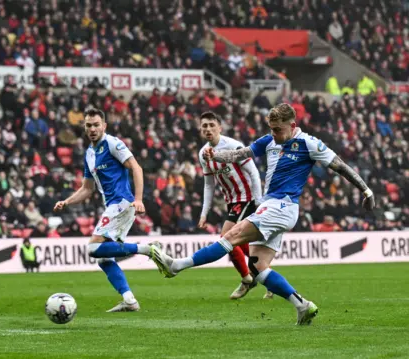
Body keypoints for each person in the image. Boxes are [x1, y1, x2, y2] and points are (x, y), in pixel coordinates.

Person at [150, 104, 375, 325]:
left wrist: (366, 190)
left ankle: (176, 266)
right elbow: (241, 154)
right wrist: (216, 156)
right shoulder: (269, 140)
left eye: (277, 129)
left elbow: (341, 166)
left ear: (292, 125)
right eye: (271, 128)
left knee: (230, 236)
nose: (273, 134)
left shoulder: (309, 143)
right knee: (257, 268)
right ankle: (302, 305)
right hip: (273, 206)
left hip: (282, 206)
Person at [54, 108, 160, 312]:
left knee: (93, 248)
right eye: (88, 125)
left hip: (122, 202)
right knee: (104, 258)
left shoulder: (112, 143)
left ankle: (146, 249)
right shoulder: (89, 154)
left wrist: (138, 199)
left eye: (96, 125)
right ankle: (129, 300)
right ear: (84, 128)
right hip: (112, 204)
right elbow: (87, 188)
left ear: (104, 126)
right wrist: (67, 201)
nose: (92, 129)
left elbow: (136, 168)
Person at [197, 112, 268, 299]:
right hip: (232, 202)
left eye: (212, 125)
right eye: (204, 126)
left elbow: (253, 172)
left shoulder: (233, 146)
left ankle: (247, 279)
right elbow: (208, 184)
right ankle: (265, 275)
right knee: (240, 242)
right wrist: (204, 213)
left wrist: (258, 202)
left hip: (248, 198)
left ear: (220, 127)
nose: (208, 129)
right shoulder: (203, 154)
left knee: (225, 238)